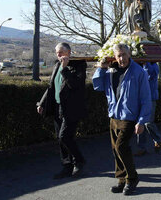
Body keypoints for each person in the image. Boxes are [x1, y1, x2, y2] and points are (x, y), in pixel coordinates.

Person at [92, 43, 151, 195]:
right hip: (114, 115)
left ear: (129, 54)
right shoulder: (110, 70)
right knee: (115, 150)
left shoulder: (139, 72)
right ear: (115, 56)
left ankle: (132, 178)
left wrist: (142, 121)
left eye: (124, 54)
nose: (122, 58)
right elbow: (98, 86)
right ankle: (122, 179)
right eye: (119, 55)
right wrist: (101, 68)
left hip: (130, 117)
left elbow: (146, 98)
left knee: (121, 147)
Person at [37, 43, 87, 179]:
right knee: (60, 139)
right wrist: (42, 103)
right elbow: (51, 86)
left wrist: (65, 69)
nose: (58, 55)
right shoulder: (56, 65)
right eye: (57, 53)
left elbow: (75, 85)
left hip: (71, 108)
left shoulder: (79, 65)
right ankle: (67, 166)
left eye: (61, 53)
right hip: (57, 107)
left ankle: (79, 160)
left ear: (69, 52)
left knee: (64, 136)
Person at [135, 62, 161, 156]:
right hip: (139, 98)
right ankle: (141, 147)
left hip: (151, 98)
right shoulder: (136, 65)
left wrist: (145, 62)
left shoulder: (154, 65)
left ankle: (157, 139)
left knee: (148, 122)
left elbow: (150, 75)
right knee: (140, 122)